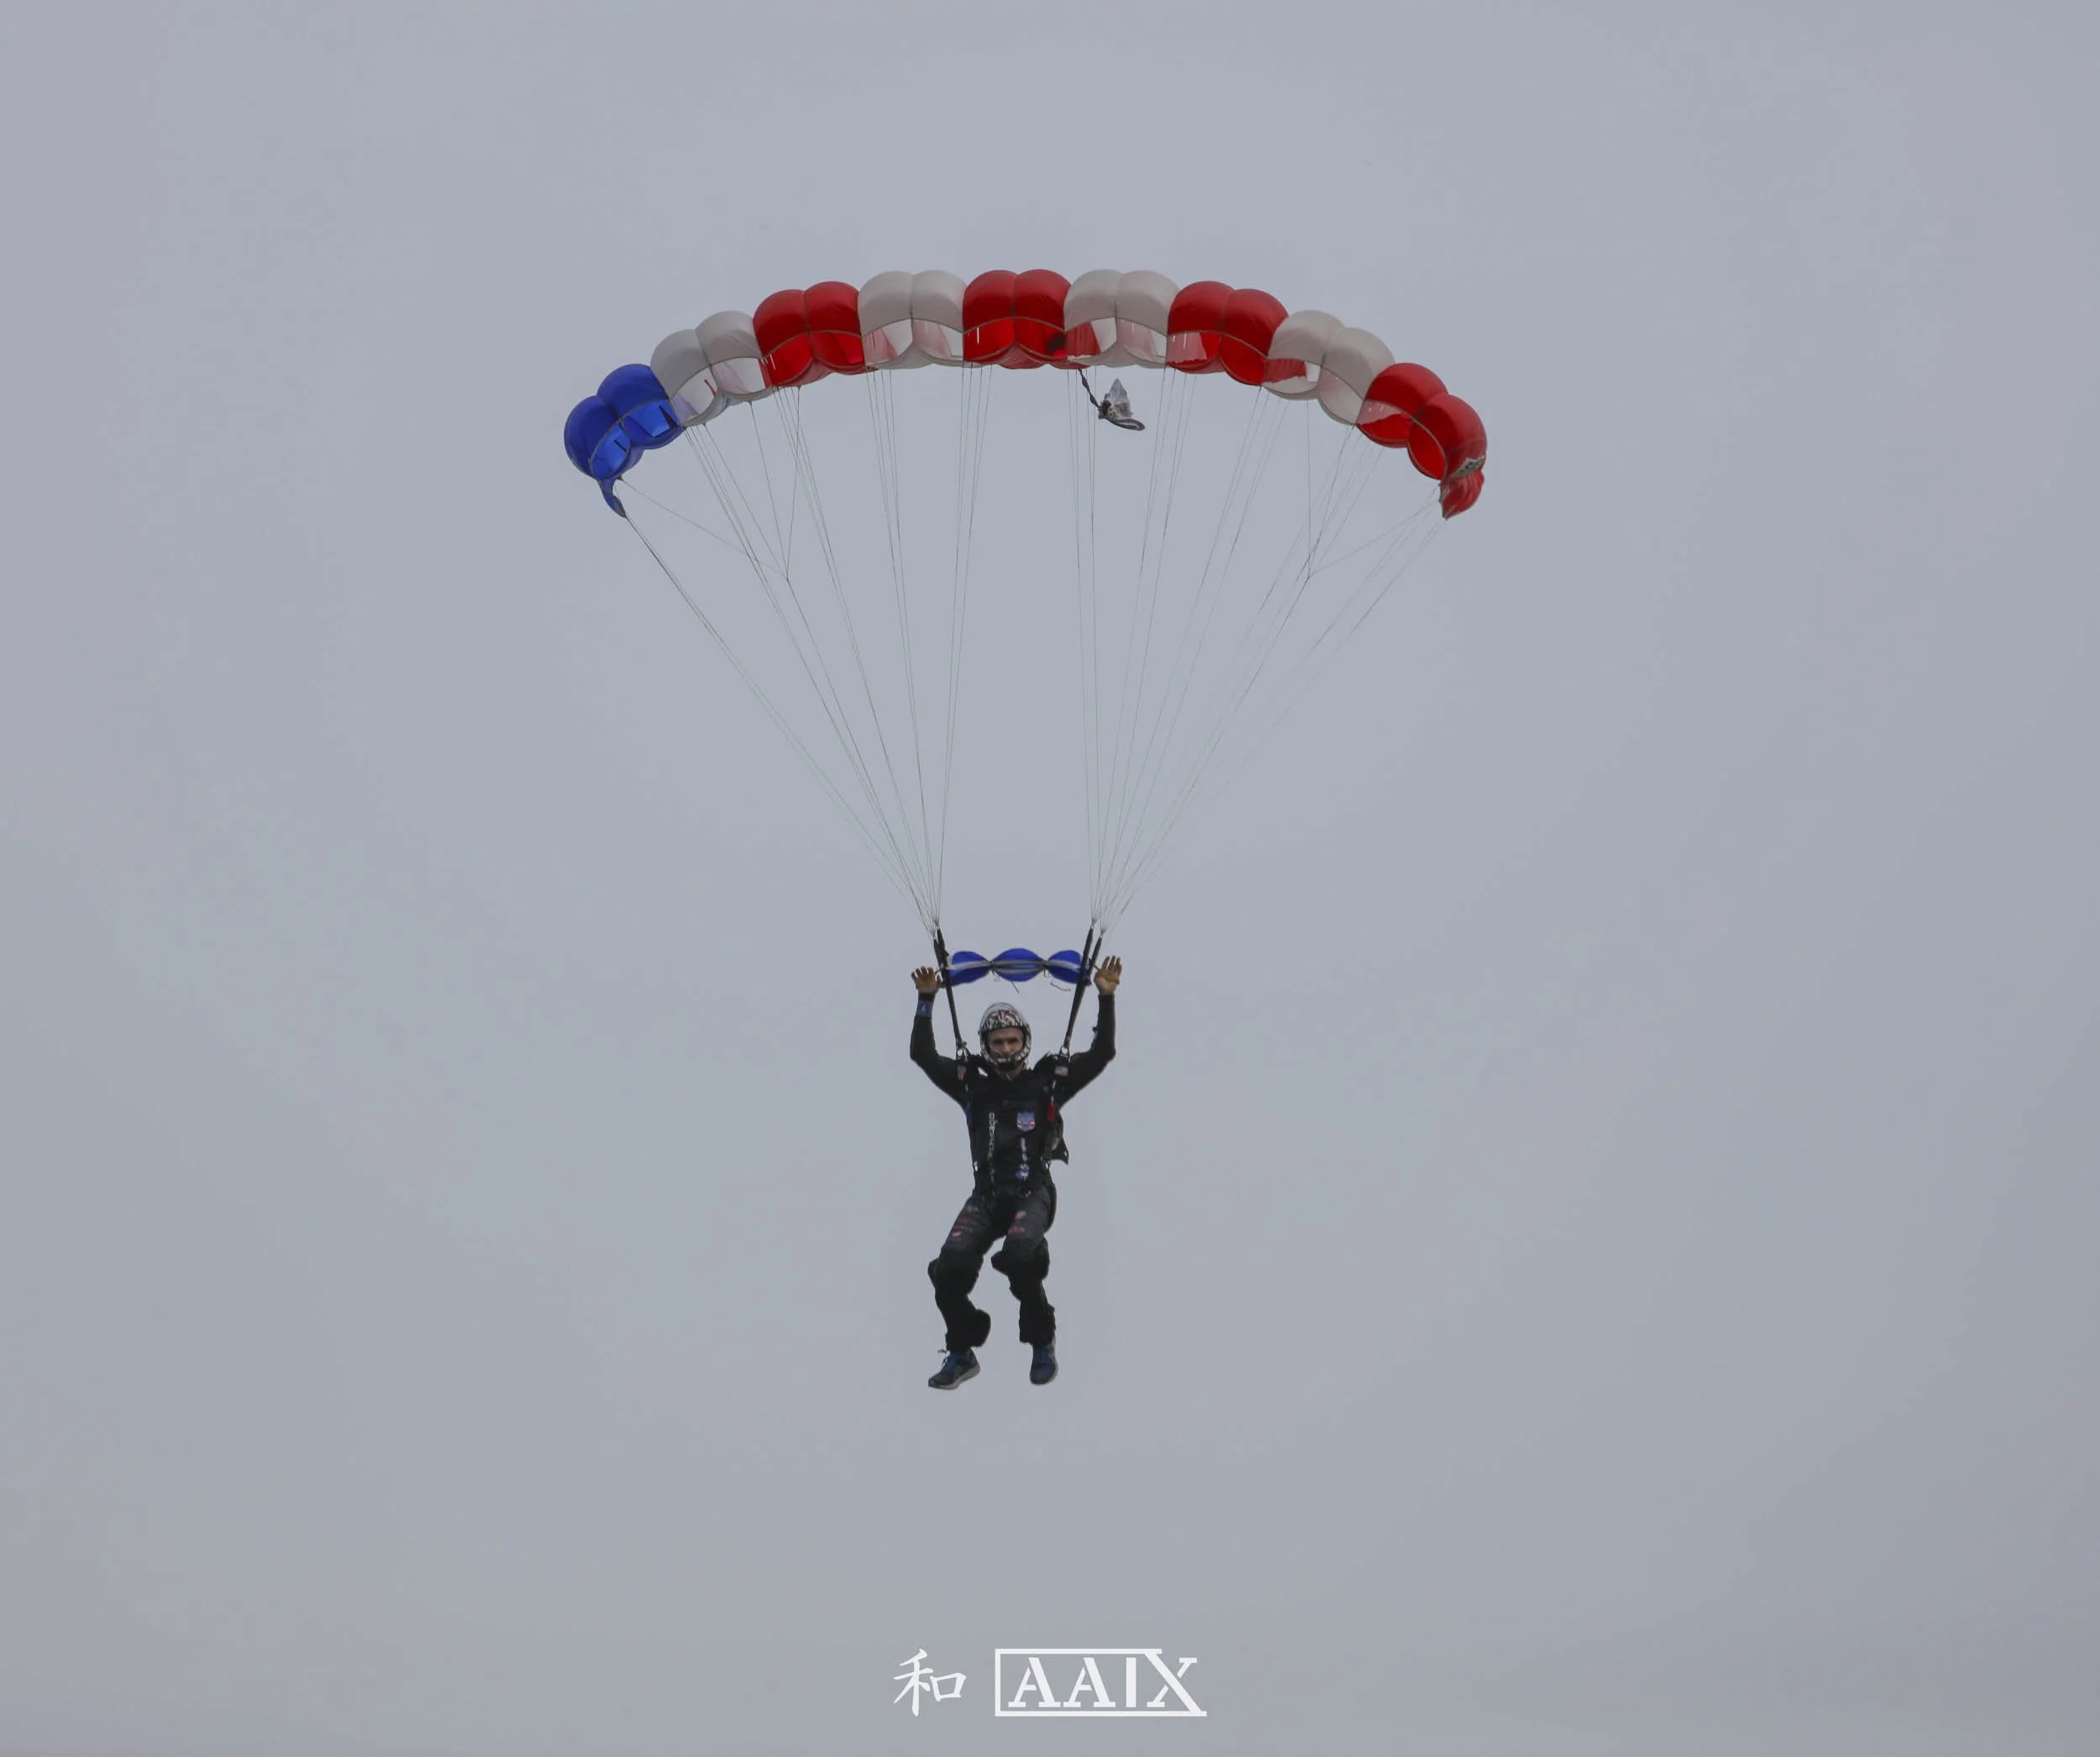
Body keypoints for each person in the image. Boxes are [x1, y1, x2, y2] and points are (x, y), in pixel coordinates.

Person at [910, 955, 1122, 1389]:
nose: (1006, 1049)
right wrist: (926, 1000)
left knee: (1021, 1255)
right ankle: (962, 1349)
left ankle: (1041, 1339)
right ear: (986, 1045)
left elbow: (1102, 1054)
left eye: (1012, 1041)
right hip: (987, 1197)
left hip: (1032, 1193)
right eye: (998, 1042)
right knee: (948, 1268)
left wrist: (1105, 998)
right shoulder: (973, 1083)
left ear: (1024, 1041)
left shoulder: (1049, 1081)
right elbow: (924, 1055)